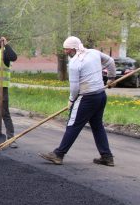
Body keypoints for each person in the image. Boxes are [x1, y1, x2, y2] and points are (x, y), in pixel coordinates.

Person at [39, 36, 117, 166]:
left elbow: (74, 88)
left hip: (87, 98)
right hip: (100, 96)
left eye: (67, 50)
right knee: (97, 127)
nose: (65, 52)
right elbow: (110, 61)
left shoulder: (75, 63)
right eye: (65, 50)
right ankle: (107, 157)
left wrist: (71, 100)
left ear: (74, 48)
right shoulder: (94, 53)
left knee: (73, 125)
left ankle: (58, 154)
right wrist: (111, 77)